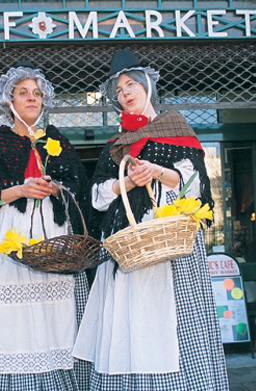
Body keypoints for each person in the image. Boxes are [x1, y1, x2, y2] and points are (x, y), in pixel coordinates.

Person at [72, 49, 228, 390]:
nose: (125, 93)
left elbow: (195, 186)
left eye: (130, 85)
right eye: (118, 90)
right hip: (128, 244)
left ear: (146, 86)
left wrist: (158, 171)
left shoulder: (176, 128)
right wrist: (128, 181)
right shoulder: (115, 144)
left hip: (169, 239)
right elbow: (98, 197)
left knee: (168, 319)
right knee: (131, 316)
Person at [0, 61, 91, 390]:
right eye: (23, 93)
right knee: (14, 314)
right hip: (11, 233)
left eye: (37, 93)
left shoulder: (56, 139)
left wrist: (57, 188)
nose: (32, 98)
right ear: (9, 101)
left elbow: (80, 188)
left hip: (53, 232)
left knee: (55, 309)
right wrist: (20, 189)